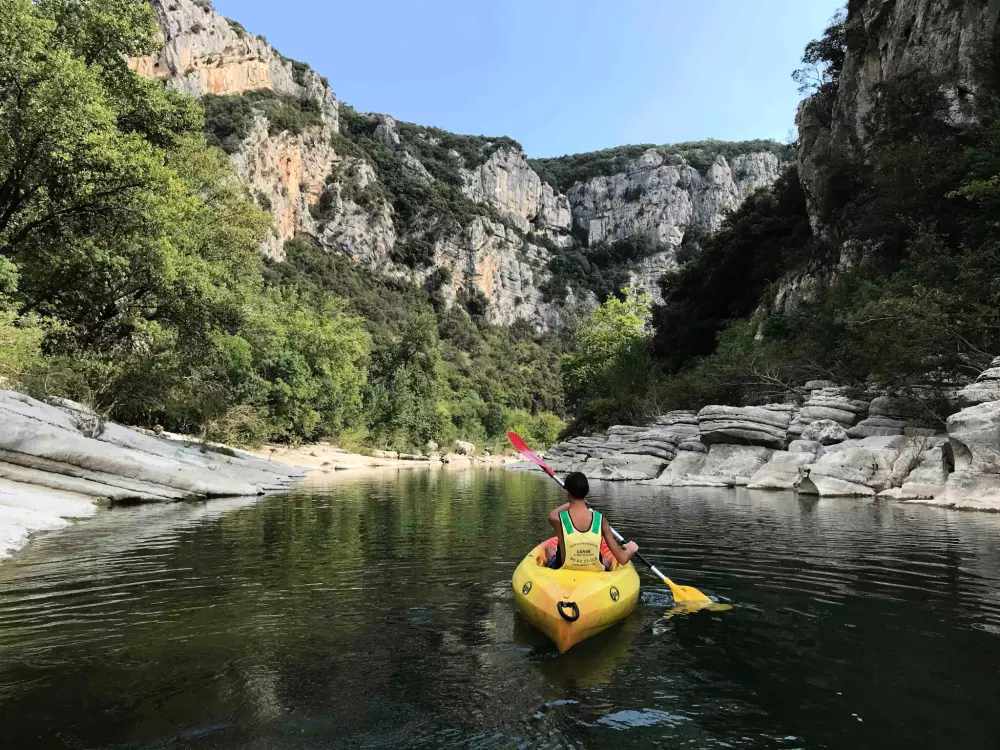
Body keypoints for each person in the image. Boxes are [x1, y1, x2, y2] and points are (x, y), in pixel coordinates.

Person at [545, 472, 639, 571]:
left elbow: (552, 515)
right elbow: (623, 559)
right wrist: (631, 549)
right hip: (594, 572)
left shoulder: (559, 520)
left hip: (565, 570)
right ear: (588, 492)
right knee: (608, 561)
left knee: (549, 550)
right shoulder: (601, 521)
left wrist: (570, 503)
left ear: (567, 492)